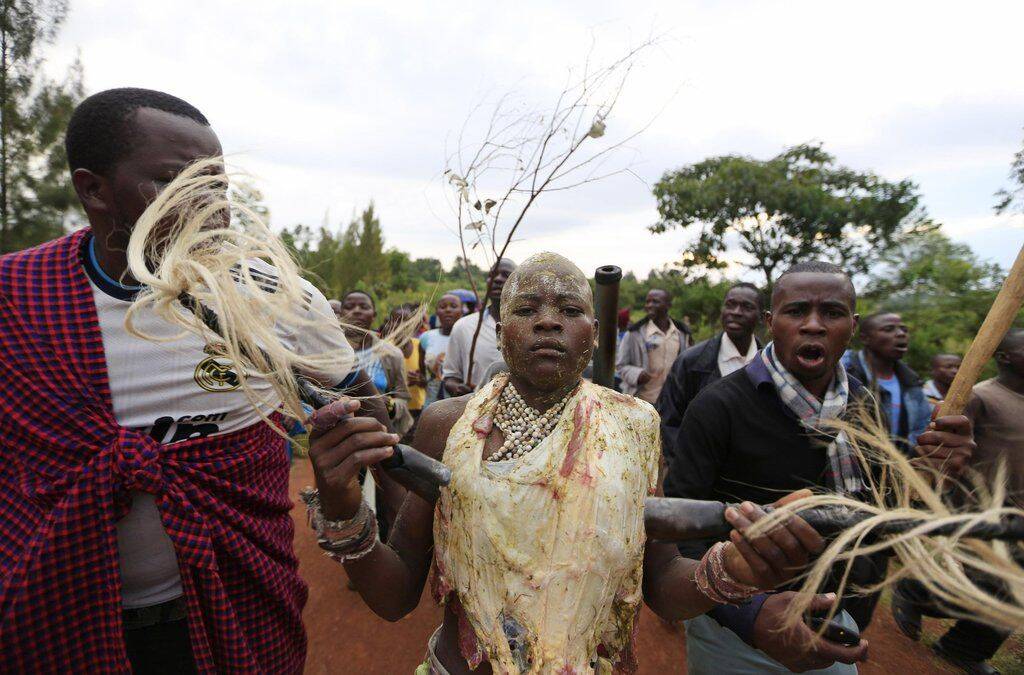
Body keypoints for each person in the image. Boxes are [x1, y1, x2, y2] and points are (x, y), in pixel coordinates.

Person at [305, 253, 832, 674]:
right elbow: (395, 594)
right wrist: (341, 507)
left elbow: (663, 581)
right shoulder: (449, 424)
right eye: (527, 309)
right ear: (501, 326)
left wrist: (731, 572)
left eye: (570, 310)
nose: (549, 323)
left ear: (594, 330)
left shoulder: (633, 424)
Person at [0, 88, 356, 672]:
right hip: (56, 623)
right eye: (175, 182)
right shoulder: (17, 299)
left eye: (217, 186)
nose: (213, 208)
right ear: (93, 189)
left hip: (241, 612)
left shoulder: (277, 297)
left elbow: (360, 407)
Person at [663, 261, 975, 673]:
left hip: (835, 614)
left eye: (831, 312)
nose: (813, 325)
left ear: (853, 325)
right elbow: (681, 530)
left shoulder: (864, 406)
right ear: (772, 323)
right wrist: (751, 615)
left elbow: (881, 507)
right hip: (736, 623)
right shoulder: (719, 406)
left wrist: (932, 472)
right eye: (796, 312)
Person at [893, 329, 1024, 675]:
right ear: (1006, 356)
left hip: (1019, 513)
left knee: (1016, 589)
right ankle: (915, 591)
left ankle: (963, 648)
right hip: (978, 507)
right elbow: (947, 448)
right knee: (981, 583)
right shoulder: (982, 396)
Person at [656, 282, 763, 470]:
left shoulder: (770, 364)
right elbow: (668, 421)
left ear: (763, 317)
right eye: (730, 304)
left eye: (747, 307)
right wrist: (684, 465)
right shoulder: (690, 362)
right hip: (698, 477)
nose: (736, 312)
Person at [841, 312, 931, 452]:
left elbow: (922, 429)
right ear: (865, 338)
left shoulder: (911, 382)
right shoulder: (842, 370)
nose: (901, 334)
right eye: (888, 329)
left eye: (904, 329)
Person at [338, 290, 413, 438]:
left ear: (374, 315)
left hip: (378, 434)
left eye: (364, 307)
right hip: (338, 435)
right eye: (349, 306)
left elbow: (403, 398)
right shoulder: (328, 353)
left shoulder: (392, 354)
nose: (356, 311)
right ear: (340, 313)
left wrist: (390, 405)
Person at [442, 258, 516, 395]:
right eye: (492, 275)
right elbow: (450, 377)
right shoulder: (463, 327)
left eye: (505, 275)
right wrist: (458, 389)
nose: (497, 279)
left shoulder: (529, 328)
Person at [616, 288, 692, 403]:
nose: (650, 305)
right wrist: (637, 374)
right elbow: (621, 365)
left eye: (655, 301)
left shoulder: (681, 334)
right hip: (642, 401)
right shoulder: (634, 334)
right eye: (647, 302)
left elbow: (687, 365)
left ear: (668, 305)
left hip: (672, 403)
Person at [382, 304, 427, 422]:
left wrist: (422, 380)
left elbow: (430, 380)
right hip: (392, 410)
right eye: (396, 321)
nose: (401, 325)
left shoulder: (420, 345)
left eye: (406, 321)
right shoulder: (383, 348)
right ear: (389, 324)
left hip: (418, 408)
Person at [419, 293, 463, 408]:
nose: (448, 310)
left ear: (461, 311)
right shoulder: (426, 337)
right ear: (437, 311)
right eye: (443, 307)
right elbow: (423, 373)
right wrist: (422, 379)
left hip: (458, 407)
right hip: (430, 405)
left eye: (453, 306)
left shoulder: (468, 338)